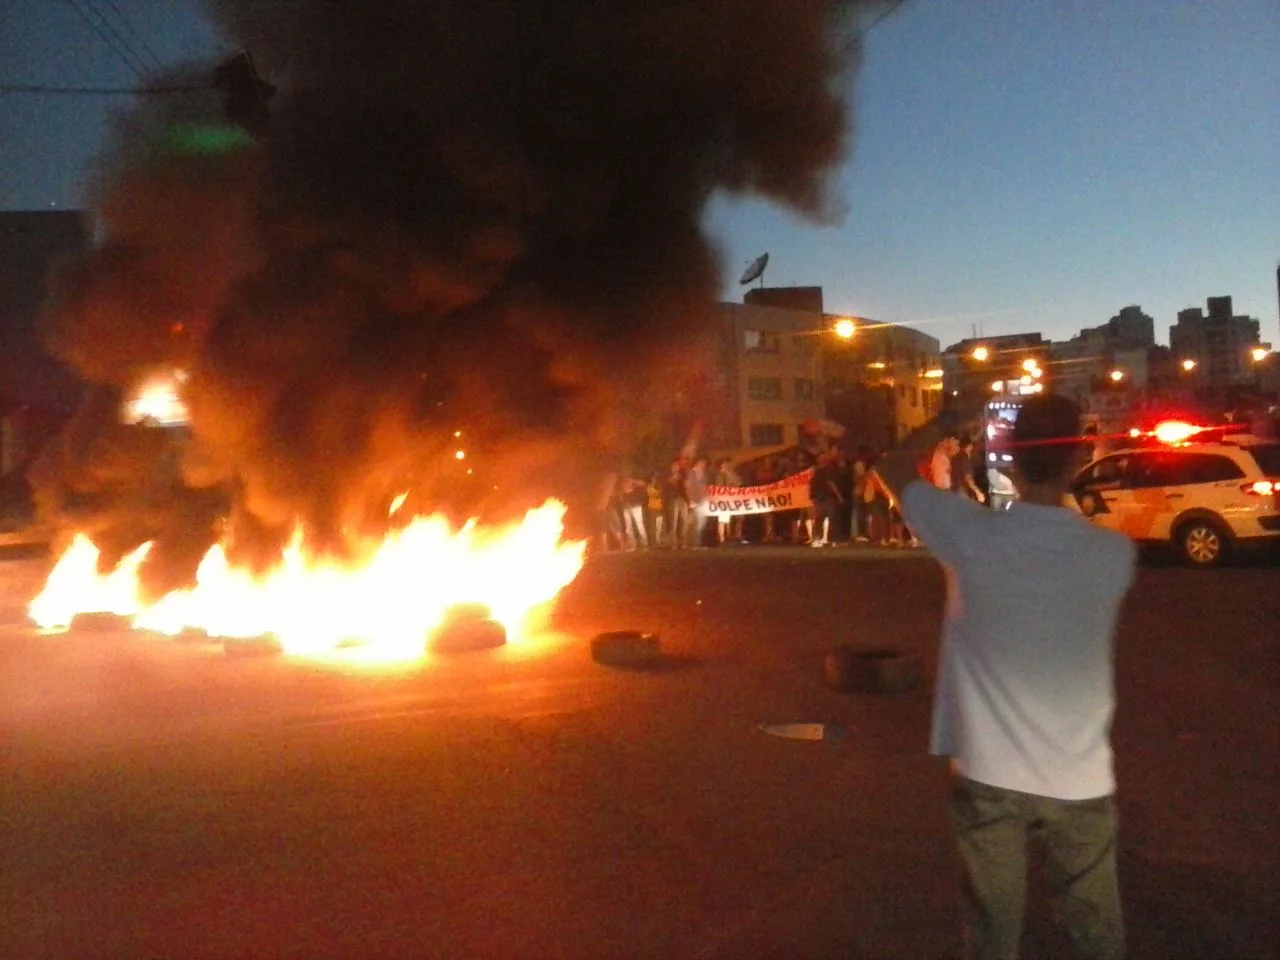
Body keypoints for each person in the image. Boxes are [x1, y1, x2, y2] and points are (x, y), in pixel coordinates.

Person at [881, 394, 1136, 960]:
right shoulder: (1112, 554)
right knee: (1096, 936)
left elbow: (891, 466)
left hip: (988, 772)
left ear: (1010, 462)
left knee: (992, 936)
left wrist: (948, 419)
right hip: (1080, 776)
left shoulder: (968, 535)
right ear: (1079, 459)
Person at [806, 448, 843, 547]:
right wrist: (838, 495)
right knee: (826, 518)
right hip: (823, 497)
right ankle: (826, 539)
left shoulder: (820, 469)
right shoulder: (824, 469)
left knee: (822, 519)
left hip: (823, 497)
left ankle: (820, 539)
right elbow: (830, 483)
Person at [951, 436, 986, 504]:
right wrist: (978, 493)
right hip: (963, 493)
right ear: (969, 446)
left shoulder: (955, 457)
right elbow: (967, 478)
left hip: (955, 491)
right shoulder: (964, 459)